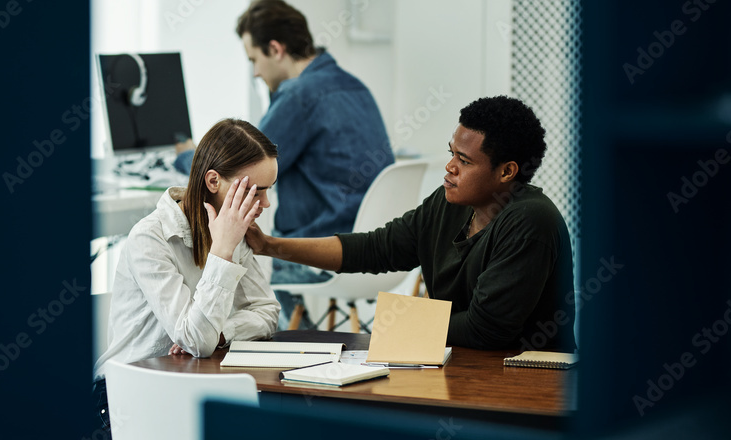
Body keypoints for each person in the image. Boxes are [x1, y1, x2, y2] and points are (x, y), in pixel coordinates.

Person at [244, 96, 576, 352]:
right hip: (461, 363)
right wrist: (268, 245)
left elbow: (486, 330)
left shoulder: (530, 221)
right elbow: (374, 249)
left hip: (527, 380)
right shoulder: (449, 203)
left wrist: (402, 321)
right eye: (451, 153)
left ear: (506, 172)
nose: (450, 167)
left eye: (464, 160)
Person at [175, 0, 394, 327]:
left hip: (318, 252)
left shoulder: (299, 95)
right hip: (374, 249)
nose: (255, 72)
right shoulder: (353, 85)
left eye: (254, 59)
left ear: (276, 49)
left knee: (226, 264)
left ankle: (282, 352)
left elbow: (240, 164)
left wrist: (185, 155)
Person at [97, 118, 280, 368]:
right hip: (129, 383)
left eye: (269, 190)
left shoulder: (234, 229)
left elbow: (267, 312)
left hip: (190, 376)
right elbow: (197, 341)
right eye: (255, 192)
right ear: (213, 181)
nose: (266, 203)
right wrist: (222, 251)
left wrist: (221, 333)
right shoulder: (149, 238)